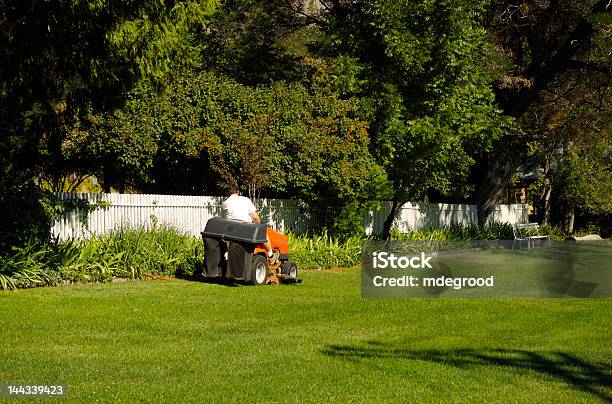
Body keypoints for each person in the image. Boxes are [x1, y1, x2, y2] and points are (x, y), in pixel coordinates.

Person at [221, 186, 279, 264]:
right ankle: (271, 255)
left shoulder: (225, 203)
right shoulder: (245, 200)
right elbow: (255, 218)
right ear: (238, 192)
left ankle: (229, 254)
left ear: (228, 193)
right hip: (245, 229)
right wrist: (260, 225)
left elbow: (224, 220)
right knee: (263, 232)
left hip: (231, 231)